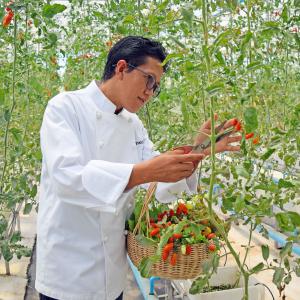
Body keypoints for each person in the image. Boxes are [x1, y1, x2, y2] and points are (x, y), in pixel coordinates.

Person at [35, 36, 241, 300]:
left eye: (156, 87)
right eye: (149, 80)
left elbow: (161, 186)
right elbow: (68, 178)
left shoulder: (133, 125)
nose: (150, 92)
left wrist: (199, 150)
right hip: (68, 272)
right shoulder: (65, 108)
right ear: (122, 68)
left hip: (112, 273)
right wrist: (144, 171)